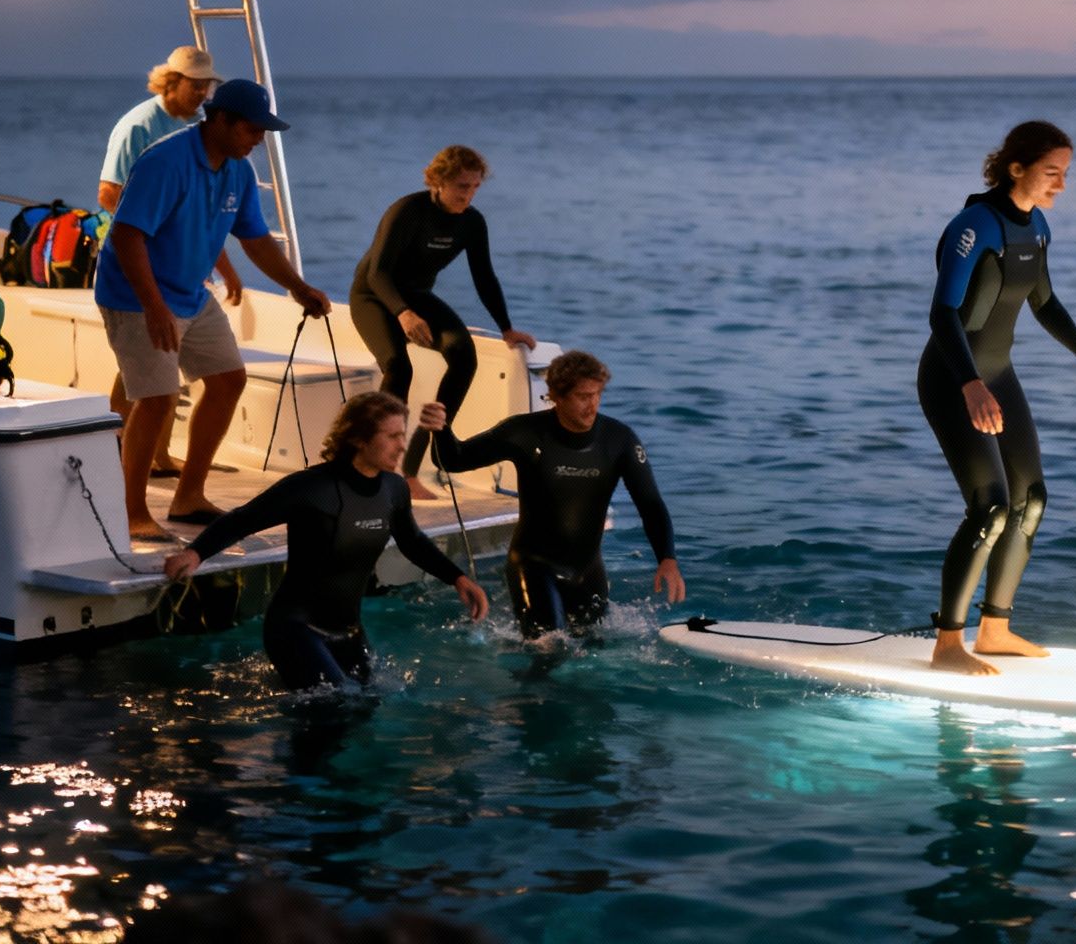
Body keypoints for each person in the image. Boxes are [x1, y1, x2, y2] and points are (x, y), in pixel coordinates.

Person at [919, 120, 1076, 676]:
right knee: (990, 508)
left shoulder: (1038, 228)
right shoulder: (974, 226)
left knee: (1030, 500)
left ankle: (995, 630)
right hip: (953, 377)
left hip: (998, 374)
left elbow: (1044, 302)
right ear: (1016, 168)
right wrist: (970, 384)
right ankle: (948, 645)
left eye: (1065, 173)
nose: (1061, 184)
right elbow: (943, 314)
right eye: (1052, 172)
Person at [97, 78, 330, 541]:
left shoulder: (239, 170)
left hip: (191, 293)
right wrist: (154, 306)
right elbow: (126, 234)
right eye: (252, 129)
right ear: (220, 120)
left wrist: (298, 287)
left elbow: (255, 239)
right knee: (157, 399)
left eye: (263, 131)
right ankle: (132, 513)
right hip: (136, 296)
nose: (258, 139)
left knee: (228, 379)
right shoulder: (166, 161)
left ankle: (189, 497)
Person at [163, 391, 489, 689]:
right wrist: (195, 553)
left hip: (349, 632)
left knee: (367, 705)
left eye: (402, 435)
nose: (402, 445)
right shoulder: (312, 488)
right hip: (295, 628)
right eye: (392, 436)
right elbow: (244, 519)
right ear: (359, 438)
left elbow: (412, 540)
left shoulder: (394, 489)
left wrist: (457, 578)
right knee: (335, 709)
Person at [421, 349, 684, 638]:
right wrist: (441, 430)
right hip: (534, 566)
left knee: (593, 650)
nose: (592, 405)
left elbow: (650, 503)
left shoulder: (619, 440)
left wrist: (667, 558)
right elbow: (454, 460)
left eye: (597, 394)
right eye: (583, 396)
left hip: (587, 570)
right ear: (556, 396)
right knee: (548, 650)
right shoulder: (524, 433)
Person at [350, 146, 535, 501]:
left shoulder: (472, 222)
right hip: (374, 296)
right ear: (438, 181)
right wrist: (403, 312)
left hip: (417, 297)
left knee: (463, 355)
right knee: (398, 367)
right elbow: (378, 273)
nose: (468, 195)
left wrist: (506, 328)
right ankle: (380, 468)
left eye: (475, 187)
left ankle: (416, 465)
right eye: (462, 186)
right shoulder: (407, 211)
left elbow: (484, 277)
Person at [99, 46, 245, 477]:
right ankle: (119, 452)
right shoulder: (140, 127)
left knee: (153, 369)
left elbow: (202, 211)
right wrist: (156, 230)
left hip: (182, 270)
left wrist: (226, 267)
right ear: (170, 82)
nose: (203, 93)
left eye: (207, 85)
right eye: (194, 85)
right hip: (138, 263)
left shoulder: (197, 129)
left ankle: (155, 455)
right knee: (147, 371)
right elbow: (108, 193)